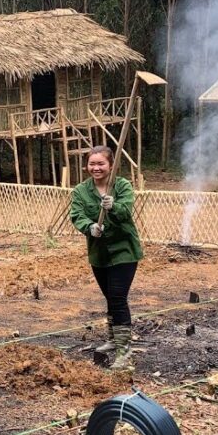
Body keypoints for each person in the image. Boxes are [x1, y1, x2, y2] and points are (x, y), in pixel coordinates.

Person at [68, 146, 143, 370]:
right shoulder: (81, 191)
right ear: (86, 166)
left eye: (101, 163)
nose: (96, 168)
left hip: (124, 251)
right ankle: (113, 339)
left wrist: (114, 207)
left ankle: (125, 354)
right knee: (110, 297)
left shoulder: (121, 186)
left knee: (118, 298)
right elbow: (76, 215)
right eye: (92, 164)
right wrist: (89, 227)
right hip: (99, 254)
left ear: (111, 165)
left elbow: (126, 211)